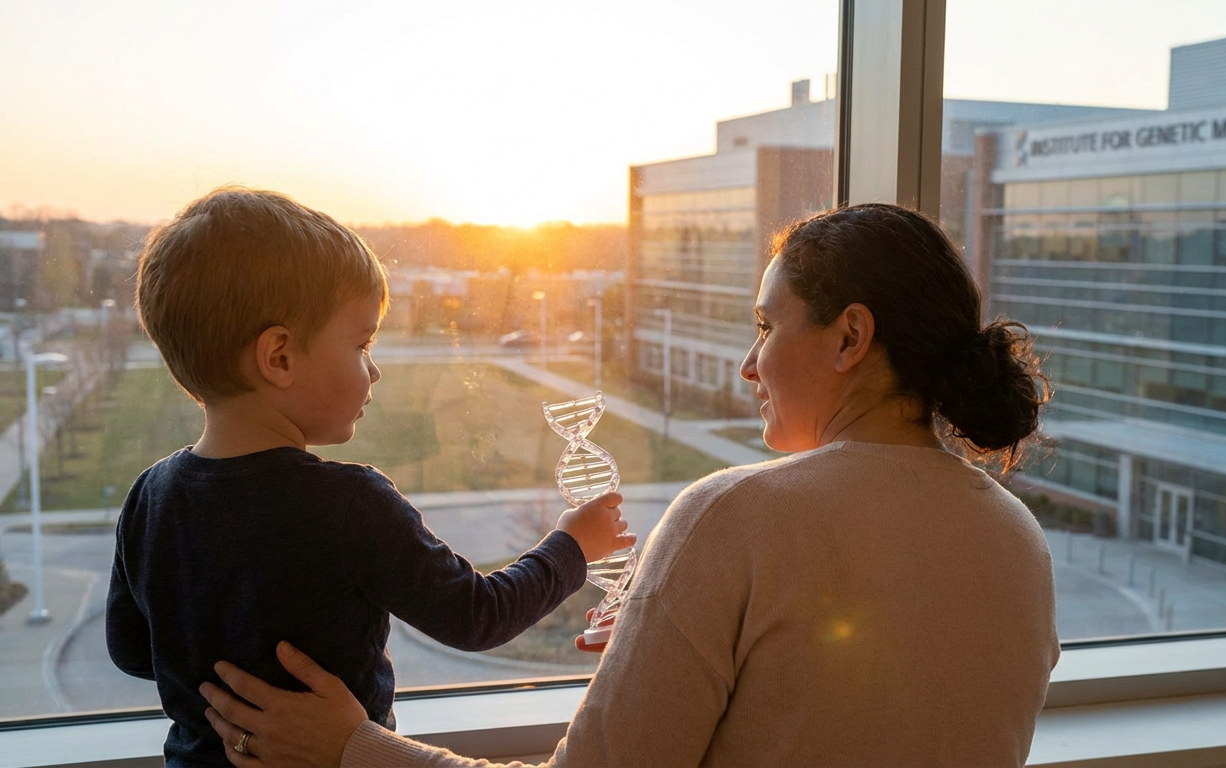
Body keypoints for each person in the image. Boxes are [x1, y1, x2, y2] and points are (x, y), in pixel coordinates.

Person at [201, 202, 1060, 767]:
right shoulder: (1017, 539)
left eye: (766, 325)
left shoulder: (734, 516)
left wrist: (352, 745)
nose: (748, 364)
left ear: (850, 338)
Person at [106, 188, 635, 767]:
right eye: (361, 344)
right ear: (278, 356)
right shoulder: (349, 503)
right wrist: (573, 546)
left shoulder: (150, 495)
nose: (375, 369)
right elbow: (477, 617)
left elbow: (132, 650)